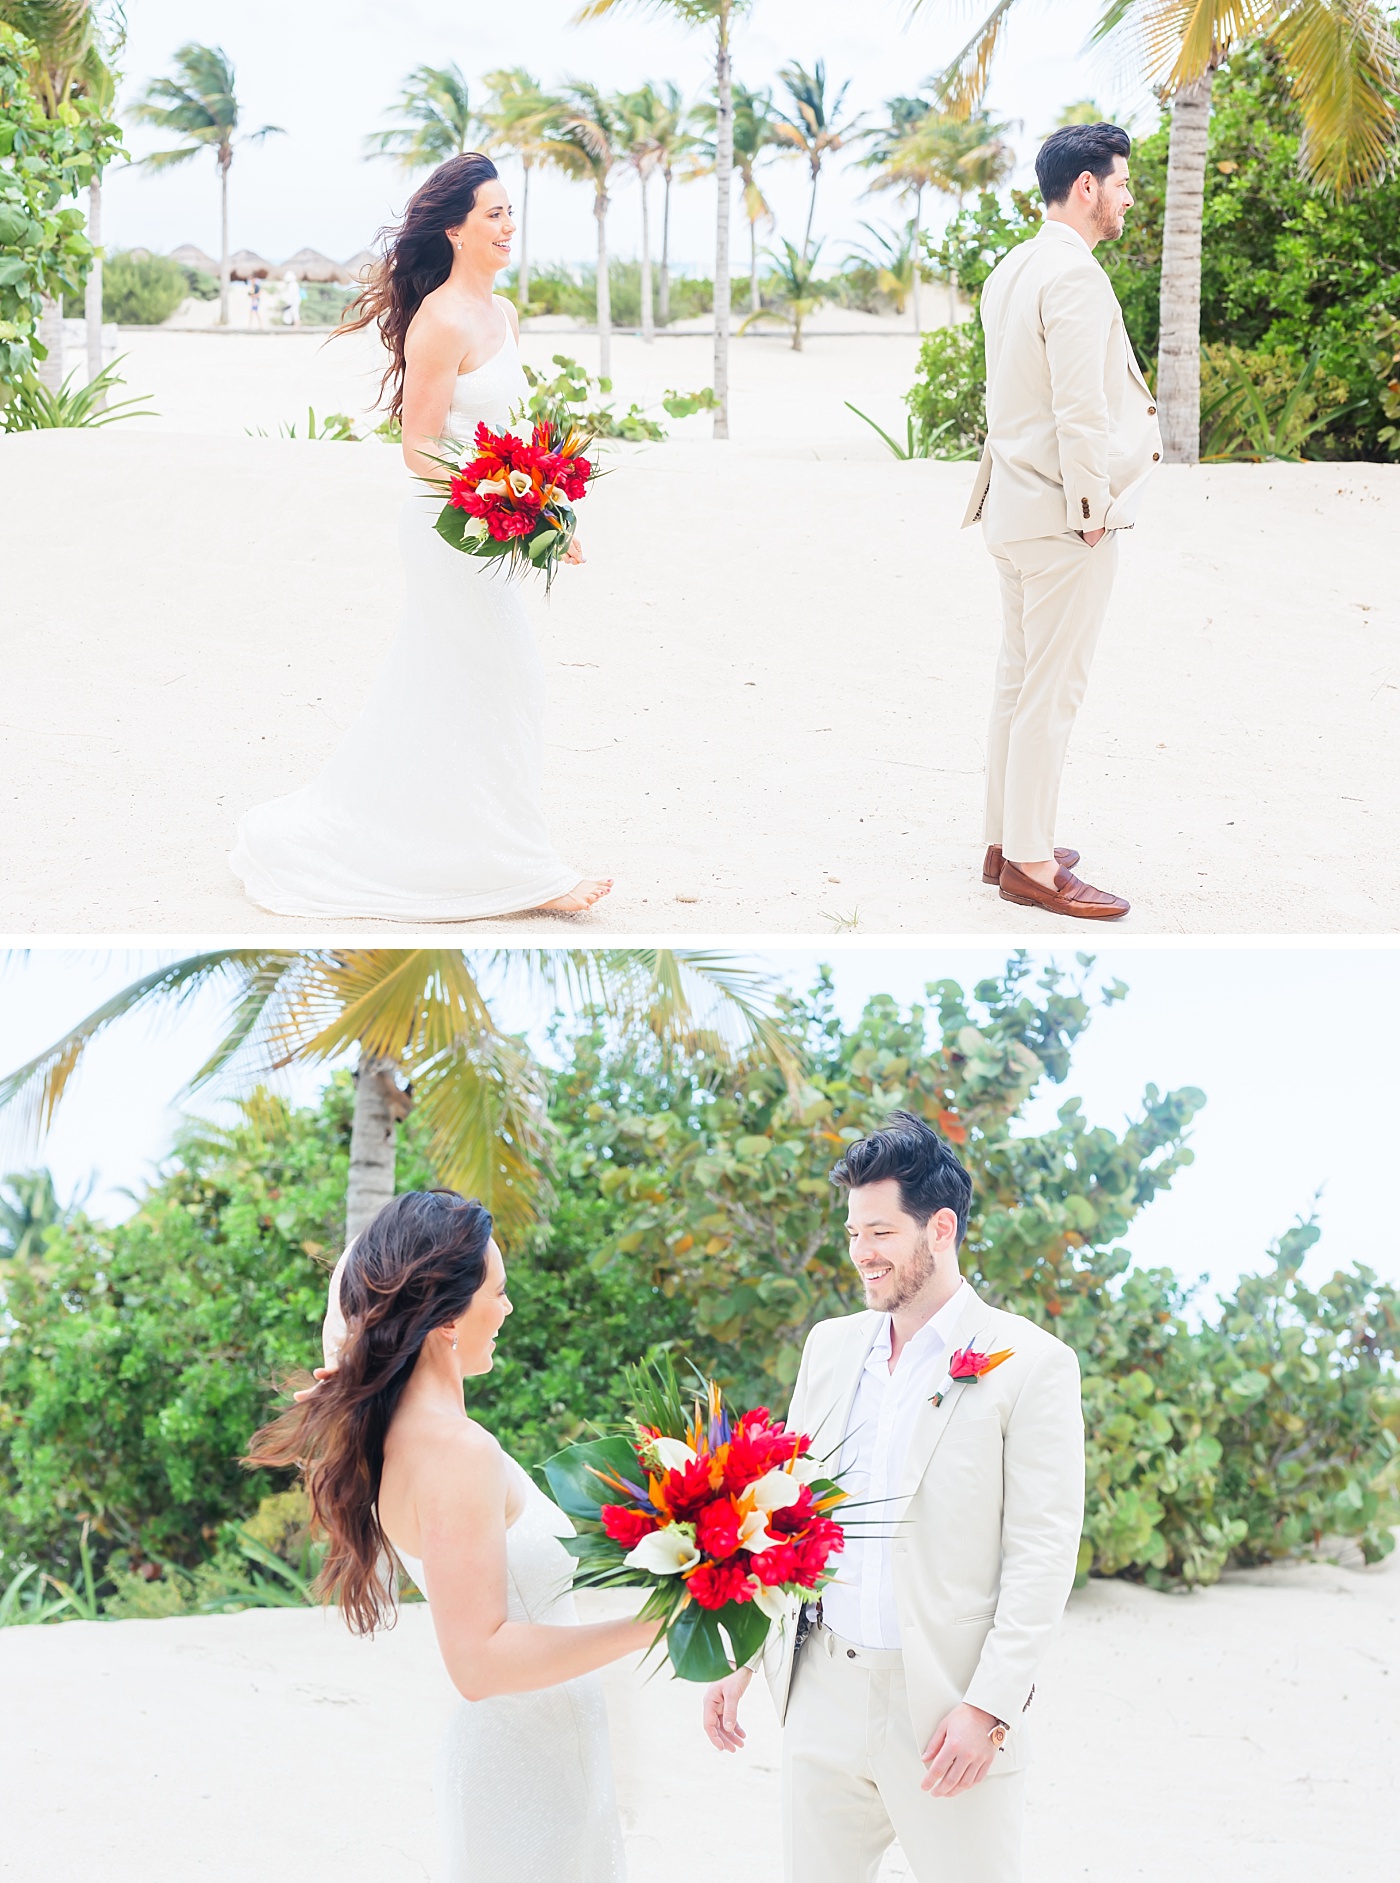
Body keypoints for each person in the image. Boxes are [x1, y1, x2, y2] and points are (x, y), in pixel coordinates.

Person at [701, 1112, 1085, 1883]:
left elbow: (1041, 1554)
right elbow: (789, 1511)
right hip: (821, 1694)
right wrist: (743, 1646)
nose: (861, 1254)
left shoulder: (1033, 1364)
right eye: (852, 1233)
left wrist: (990, 1708)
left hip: (946, 1705)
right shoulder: (830, 1345)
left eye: (879, 1232)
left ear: (939, 1228)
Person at [229, 152, 612, 918]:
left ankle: (479, 852)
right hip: (447, 533)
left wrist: (543, 498)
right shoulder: (439, 320)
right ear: (456, 230)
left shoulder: (500, 314)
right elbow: (420, 445)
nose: (509, 226)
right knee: (508, 683)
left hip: (491, 525)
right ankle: (526, 871)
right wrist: (514, 499)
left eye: (511, 213)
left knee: (458, 688)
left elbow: (502, 429)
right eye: (493, 215)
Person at [246, 1189, 650, 1881]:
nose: (509, 1307)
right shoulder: (455, 1450)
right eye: (498, 1289)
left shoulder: (402, 1434)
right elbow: (478, 1662)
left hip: (546, 1753)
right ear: (446, 1317)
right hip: (526, 1775)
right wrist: (658, 1619)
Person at [964, 122, 1162, 920]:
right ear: (1086, 187)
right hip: (1058, 513)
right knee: (1051, 691)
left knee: (1019, 682)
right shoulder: (1074, 276)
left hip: (1009, 505)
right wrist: (1091, 512)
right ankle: (1033, 866)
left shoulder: (1012, 265)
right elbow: (1078, 405)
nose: (1126, 199)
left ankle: (1003, 841)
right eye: (1121, 184)